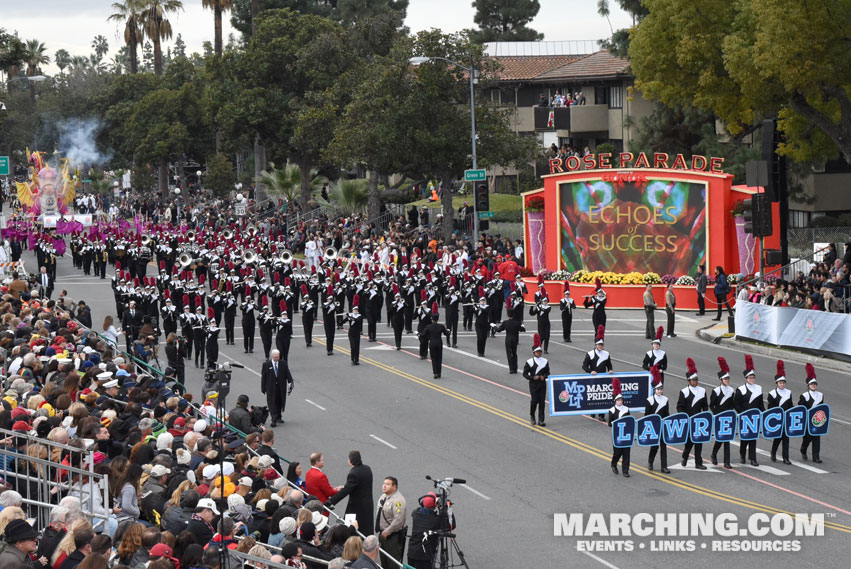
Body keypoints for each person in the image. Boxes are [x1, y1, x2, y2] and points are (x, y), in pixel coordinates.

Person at [324, 450, 374, 536]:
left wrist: (329, 502)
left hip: (356, 508)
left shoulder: (353, 473)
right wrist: (345, 486)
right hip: (368, 506)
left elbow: (345, 492)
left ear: (350, 461)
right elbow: (359, 484)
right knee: (365, 531)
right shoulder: (367, 469)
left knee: (351, 530)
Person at [677, 358, 708, 470]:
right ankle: (685, 456)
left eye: (696, 380)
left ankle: (698, 463)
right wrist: (685, 416)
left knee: (699, 442)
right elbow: (679, 406)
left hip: (699, 422)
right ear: (689, 381)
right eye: (693, 380)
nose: (695, 382)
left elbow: (705, 405)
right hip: (689, 421)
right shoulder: (684, 392)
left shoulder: (702, 391)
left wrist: (706, 413)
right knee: (689, 443)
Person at [735, 355, 763, 467]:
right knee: (745, 438)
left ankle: (753, 458)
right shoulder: (740, 389)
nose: (752, 379)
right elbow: (736, 403)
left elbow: (760, 403)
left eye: (753, 377)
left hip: (755, 417)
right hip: (744, 417)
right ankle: (742, 454)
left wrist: (763, 413)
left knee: (753, 438)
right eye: (750, 378)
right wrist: (743, 413)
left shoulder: (759, 388)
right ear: (746, 379)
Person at [710, 357, 735, 469]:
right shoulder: (716, 391)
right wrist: (716, 415)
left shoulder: (731, 390)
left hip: (728, 417)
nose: (727, 380)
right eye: (725, 379)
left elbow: (732, 404)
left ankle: (727, 462)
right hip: (719, 417)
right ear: (721, 380)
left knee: (727, 440)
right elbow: (712, 405)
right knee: (720, 439)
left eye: (728, 379)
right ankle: (714, 454)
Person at [376, 477, 407, 567]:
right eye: (384, 483)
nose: (384, 486)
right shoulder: (383, 496)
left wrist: (387, 531)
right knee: (384, 562)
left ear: (394, 487)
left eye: (388, 484)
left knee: (392, 563)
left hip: (392, 537)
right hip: (383, 534)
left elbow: (399, 520)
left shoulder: (398, 501)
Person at [645, 367, 670, 473]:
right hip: (653, 426)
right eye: (658, 389)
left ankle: (664, 466)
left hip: (663, 426)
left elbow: (667, 414)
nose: (660, 390)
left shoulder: (665, 400)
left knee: (664, 447)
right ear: (654, 390)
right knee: (654, 447)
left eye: (661, 388)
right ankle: (650, 462)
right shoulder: (649, 400)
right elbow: (647, 415)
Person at [768, 360, 793, 465]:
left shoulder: (789, 392)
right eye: (780, 383)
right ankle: (773, 452)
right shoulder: (772, 393)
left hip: (786, 419)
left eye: (783, 383)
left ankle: (785, 458)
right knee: (777, 438)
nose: (782, 384)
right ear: (777, 383)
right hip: (777, 419)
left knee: (786, 439)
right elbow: (770, 407)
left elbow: (791, 405)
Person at [406, 493, 441, 569]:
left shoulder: (415, 514)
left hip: (412, 553)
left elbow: (421, 508)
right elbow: (451, 525)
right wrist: (443, 507)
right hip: (424, 557)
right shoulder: (436, 521)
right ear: (435, 505)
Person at [261, 350, 293, 427]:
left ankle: (279, 416)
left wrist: (290, 382)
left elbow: (287, 374)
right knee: (272, 403)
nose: (276, 358)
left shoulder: (283, 364)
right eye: (275, 357)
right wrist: (263, 388)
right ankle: (273, 419)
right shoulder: (266, 364)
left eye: (277, 357)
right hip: (270, 388)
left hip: (281, 387)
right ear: (272, 356)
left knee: (280, 402)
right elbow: (263, 377)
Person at [522, 335, 550, 427]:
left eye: (540, 351)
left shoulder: (545, 361)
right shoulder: (529, 362)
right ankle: (532, 416)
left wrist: (544, 377)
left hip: (542, 384)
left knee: (542, 402)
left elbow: (548, 372)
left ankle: (541, 420)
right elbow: (525, 374)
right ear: (534, 352)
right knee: (534, 401)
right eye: (537, 352)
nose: (539, 353)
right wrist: (533, 377)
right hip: (533, 384)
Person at [799, 363, 823, 463]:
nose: (813, 386)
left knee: (816, 439)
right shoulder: (804, 395)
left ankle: (816, 457)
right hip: (807, 421)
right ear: (808, 385)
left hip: (817, 420)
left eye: (815, 384)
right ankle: (803, 449)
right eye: (812, 384)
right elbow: (801, 408)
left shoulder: (820, 395)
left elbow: (822, 408)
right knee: (807, 438)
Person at [492, 304, 526, 374]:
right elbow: (522, 329)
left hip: (508, 339)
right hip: (515, 339)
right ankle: (515, 369)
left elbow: (498, 330)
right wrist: (522, 326)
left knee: (509, 354)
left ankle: (511, 369)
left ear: (507, 315)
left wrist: (494, 326)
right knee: (514, 353)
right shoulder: (517, 322)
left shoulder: (505, 322)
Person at [608, 381, 630, 477]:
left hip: (626, 434)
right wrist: (617, 425)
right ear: (615, 401)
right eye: (618, 400)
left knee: (626, 453)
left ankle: (625, 470)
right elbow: (609, 423)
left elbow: (630, 421)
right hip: (617, 434)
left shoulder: (626, 409)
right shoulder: (612, 410)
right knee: (617, 452)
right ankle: (613, 464)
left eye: (621, 400)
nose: (620, 401)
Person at [422, 303, 450, 379]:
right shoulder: (441, 326)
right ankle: (439, 373)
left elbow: (423, 334)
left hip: (432, 344)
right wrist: (448, 331)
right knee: (439, 358)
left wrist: (419, 334)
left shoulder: (429, 326)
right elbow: (447, 334)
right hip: (439, 343)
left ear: (432, 319)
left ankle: (435, 373)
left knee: (433, 358)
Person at [348, 295, 364, 365]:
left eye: (356, 310)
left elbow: (357, 320)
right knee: (353, 346)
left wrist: (350, 317)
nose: (355, 311)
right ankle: (352, 359)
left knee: (357, 347)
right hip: (351, 333)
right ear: (352, 310)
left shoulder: (360, 316)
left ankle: (356, 360)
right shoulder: (351, 315)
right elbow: (343, 321)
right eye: (354, 309)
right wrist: (346, 317)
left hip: (357, 333)